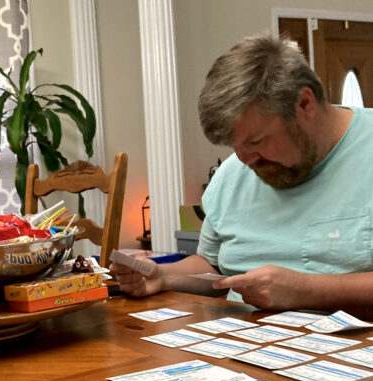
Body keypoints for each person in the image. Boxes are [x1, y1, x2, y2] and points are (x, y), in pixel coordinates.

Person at [111, 33, 373, 320]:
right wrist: (163, 276)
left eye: (257, 141)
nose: (245, 161)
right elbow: (214, 267)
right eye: (235, 147)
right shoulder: (232, 175)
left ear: (305, 104)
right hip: (242, 348)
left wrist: (307, 290)